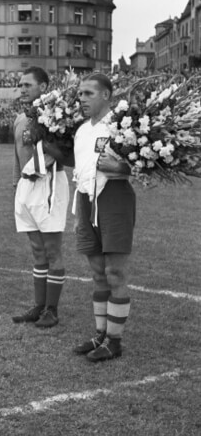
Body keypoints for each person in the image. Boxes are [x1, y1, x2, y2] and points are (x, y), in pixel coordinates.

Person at [73, 73, 135, 362]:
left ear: (106, 95)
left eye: (88, 93)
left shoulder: (123, 126)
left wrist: (124, 168)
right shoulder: (82, 130)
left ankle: (115, 340)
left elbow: (144, 164)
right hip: (86, 201)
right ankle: (100, 333)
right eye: (80, 94)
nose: (81, 99)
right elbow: (80, 171)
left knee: (115, 272)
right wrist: (78, 211)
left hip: (114, 199)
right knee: (97, 271)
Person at [11, 67, 70, 328]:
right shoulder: (19, 119)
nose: (22, 89)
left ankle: (52, 310)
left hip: (49, 185)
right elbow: (17, 157)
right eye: (20, 85)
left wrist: (48, 147)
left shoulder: (57, 117)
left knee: (52, 250)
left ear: (44, 87)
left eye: (28, 85)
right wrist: (16, 185)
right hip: (26, 188)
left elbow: (66, 156)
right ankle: (39, 305)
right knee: (37, 250)